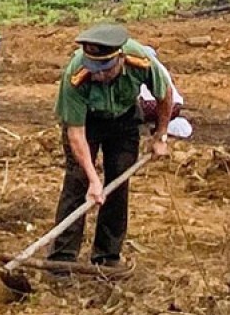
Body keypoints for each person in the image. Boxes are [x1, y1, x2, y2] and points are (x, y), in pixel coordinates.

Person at [51, 24, 174, 266]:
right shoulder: (76, 75)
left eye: (104, 70)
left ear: (119, 58)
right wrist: (92, 178)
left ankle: (107, 255)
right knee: (77, 182)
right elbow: (76, 133)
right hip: (88, 120)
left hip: (125, 119)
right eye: (93, 69)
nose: (97, 75)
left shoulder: (141, 60)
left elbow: (164, 95)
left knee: (118, 181)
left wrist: (160, 135)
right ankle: (62, 258)